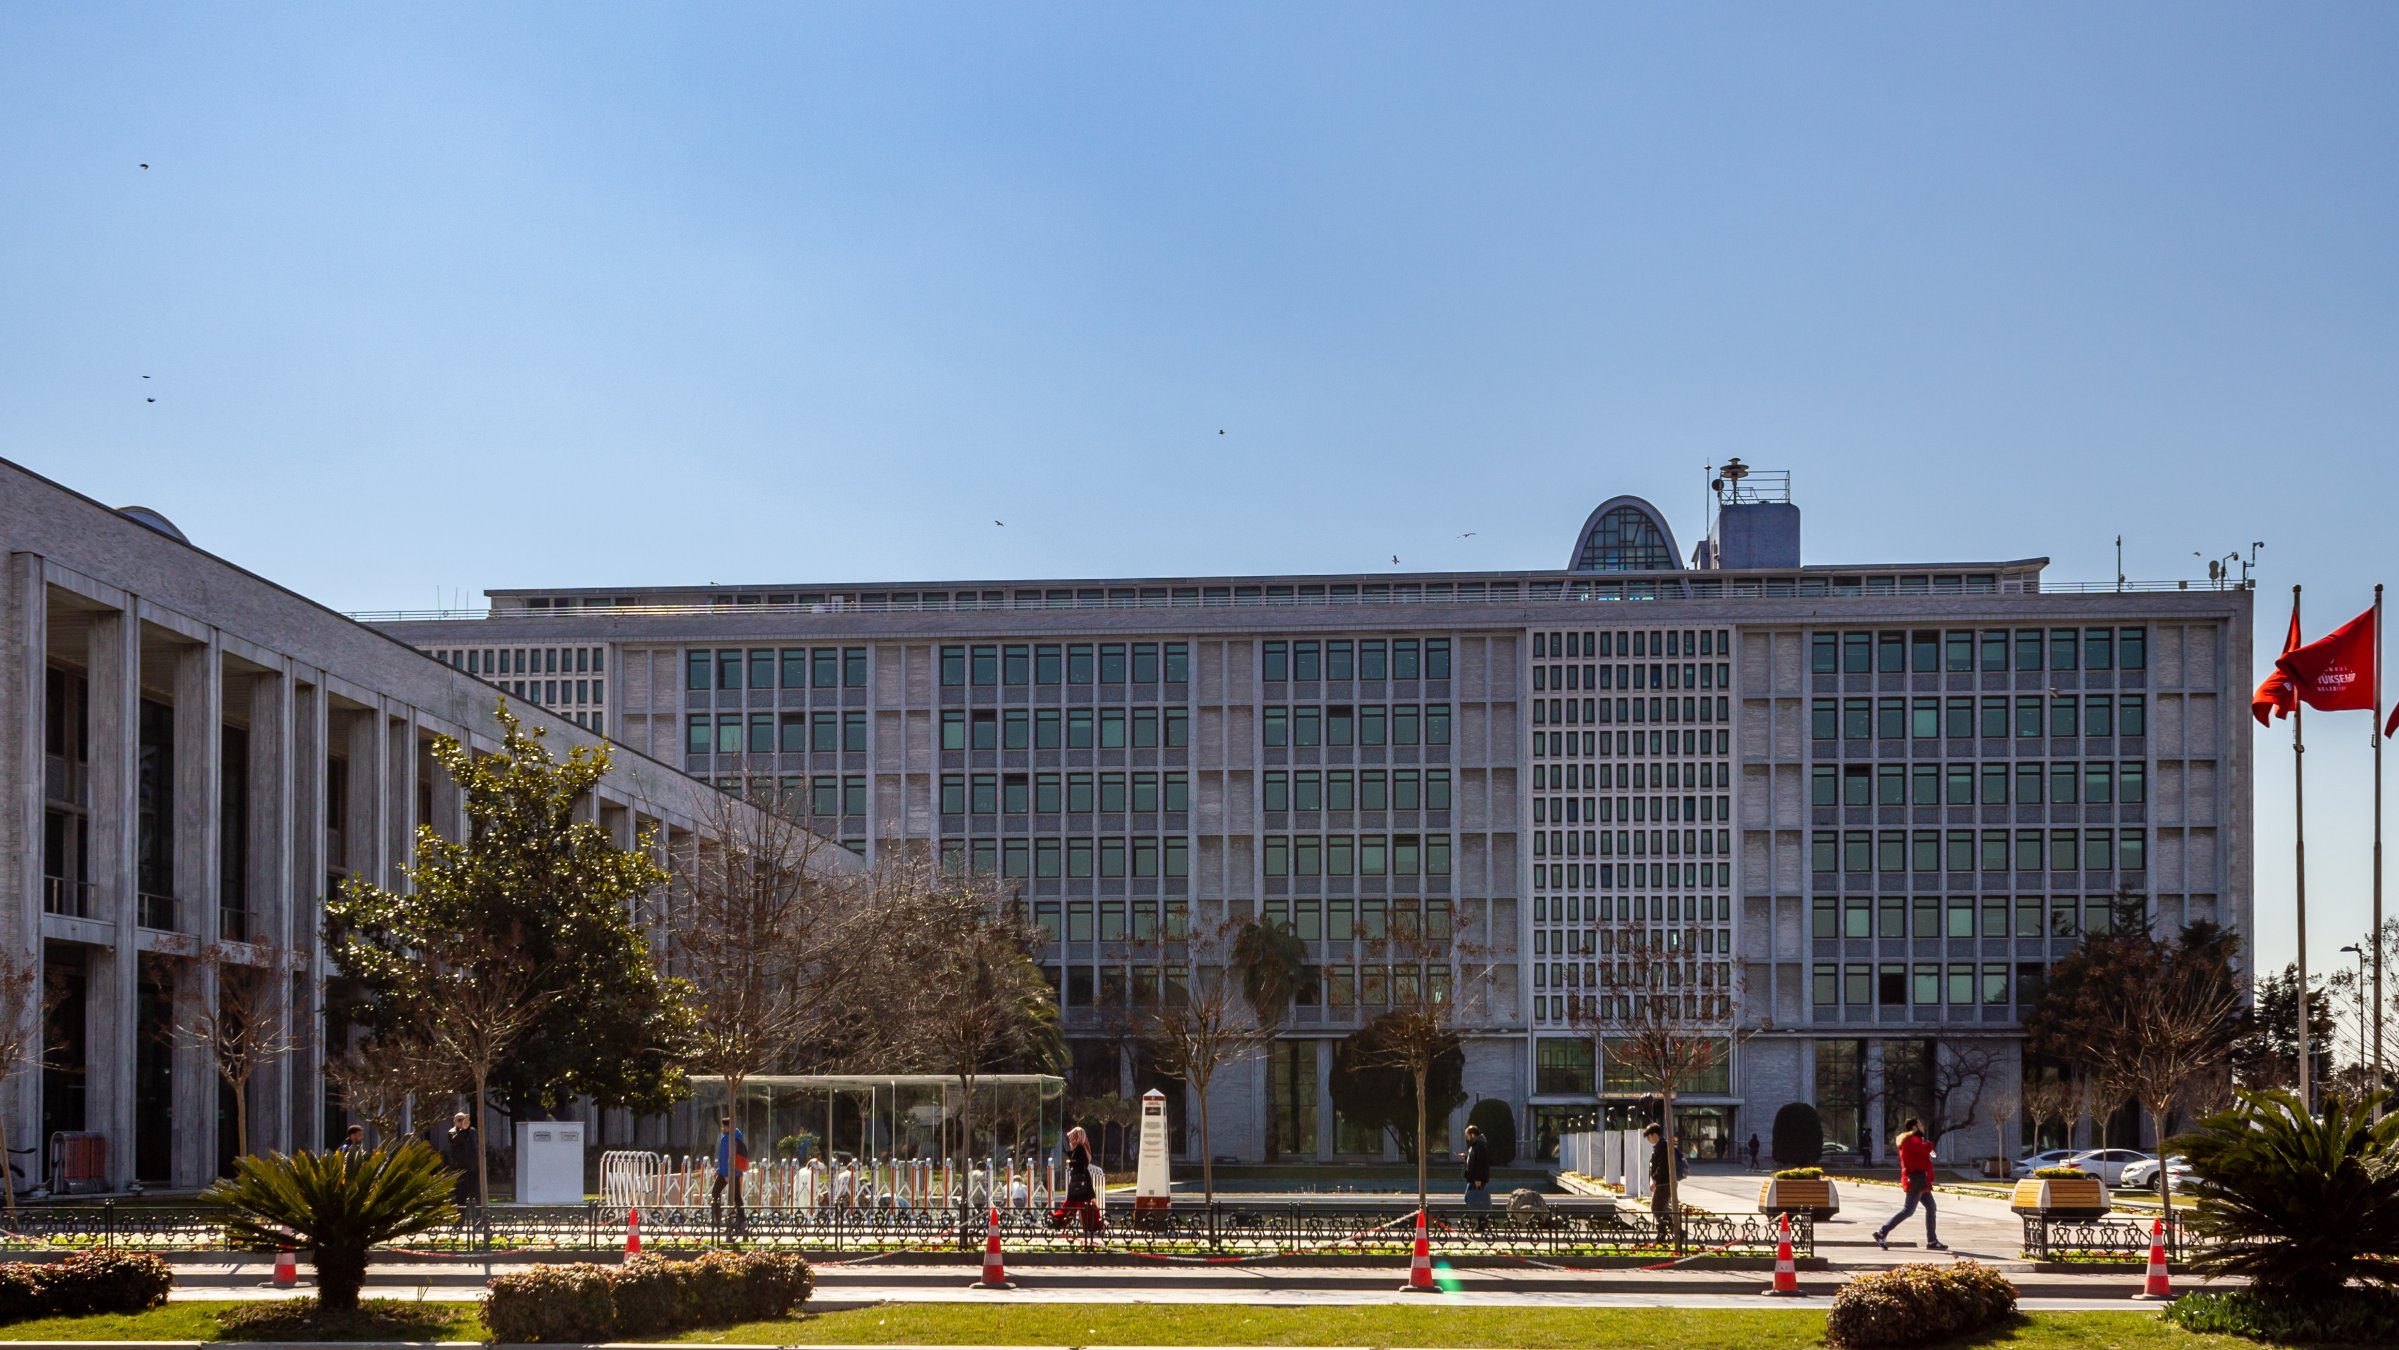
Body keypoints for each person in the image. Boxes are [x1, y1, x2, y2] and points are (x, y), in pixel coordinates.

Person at [1873, 1117, 1945, 1251]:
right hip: (1916, 1181)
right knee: (1908, 1210)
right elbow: (1926, 1149)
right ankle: (1882, 1232)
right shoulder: (1912, 1141)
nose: (1923, 1127)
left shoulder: (1914, 1141)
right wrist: (1930, 1144)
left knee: (1931, 1207)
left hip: (1921, 1181)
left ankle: (1932, 1241)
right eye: (1920, 1125)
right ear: (1914, 1128)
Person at [1050, 1125, 1102, 1232]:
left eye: (1073, 1137)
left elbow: (1079, 1163)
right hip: (1082, 1181)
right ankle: (1093, 1224)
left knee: (1074, 1203)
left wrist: (1070, 1162)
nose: (1071, 1140)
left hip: (1079, 1182)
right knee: (1083, 1204)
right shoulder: (1080, 1148)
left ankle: (1059, 1220)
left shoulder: (1080, 1148)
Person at [713, 1115, 749, 1233]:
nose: (722, 1128)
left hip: (729, 1172)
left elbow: (729, 1157)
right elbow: (724, 1157)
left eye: (724, 1126)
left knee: (716, 1193)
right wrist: (719, 1170)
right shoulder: (731, 1137)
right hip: (729, 1171)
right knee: (736, 1196)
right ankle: (741, 1220)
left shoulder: (731, 1138)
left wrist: (726, 1173)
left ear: (728, 1127)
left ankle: (718, 1220)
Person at [1645, 1123, 1677, 1239]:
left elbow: (1662, 1166)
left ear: (1654, 1135)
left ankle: (1668, 1230)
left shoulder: (1662, 1146)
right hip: (1663, 1183)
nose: (1648, 1140)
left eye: (1648, 1137)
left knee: (1656, 1208)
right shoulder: (1660, 1146)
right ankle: (1672, 1229)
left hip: (1664, 1183)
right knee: (1662, 1208)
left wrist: (1655, 1181)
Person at [444, 1111, 479, 1209]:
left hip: (473, 1168)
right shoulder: (452, 1132)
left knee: (476, 1194)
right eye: (460, 1120)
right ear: (455, 1121)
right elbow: (455, 1141)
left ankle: (478, 1216)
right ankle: (460, 1216)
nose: (462, 1122)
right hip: (460, 1169)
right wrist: (463, 1130)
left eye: (464, 1120)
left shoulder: (473, 1131)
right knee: (461, 1195)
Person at [1460, 1123, 1492, 1210]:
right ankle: (1478, 1216)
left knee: (1471, 1199)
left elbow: (1480, 1163)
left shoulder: (1479, 1146)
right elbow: (1475, 1160)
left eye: (1468, 1135)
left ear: (1473, 1135)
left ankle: (1479, 1216)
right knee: (1474, 1199)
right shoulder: (1476, 1146)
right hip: (1474, 1178)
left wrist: (1478, 1179)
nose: (1467, 1138)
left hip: (1476, 1179)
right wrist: (1466, 1157)